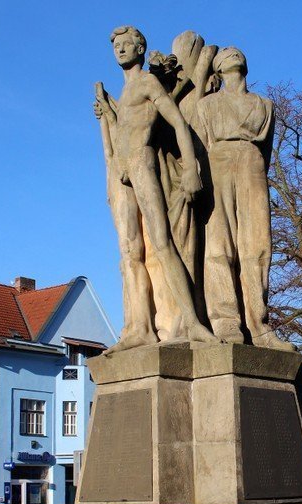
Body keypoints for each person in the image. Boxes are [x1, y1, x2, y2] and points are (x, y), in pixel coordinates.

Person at [93, 26, 217, 352]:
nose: (120, 49)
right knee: (132, 252)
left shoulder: (147, 82)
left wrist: (191, 166)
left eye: (126, 44)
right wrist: (109, 114)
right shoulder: (123, 95)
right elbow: (121, 134)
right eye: (116, 45)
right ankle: (140, 328)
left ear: (140, 49)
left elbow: (177, 122)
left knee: (162, 243)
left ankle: (191, 321)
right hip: (122, 170)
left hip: (141, 162)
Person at [196, 47, 294, 350]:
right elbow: (200, 146)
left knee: (257, 245)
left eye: (236, 52)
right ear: (218, 69)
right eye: (225, 54)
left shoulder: (265, 105)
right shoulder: (207, 106)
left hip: (252, 166)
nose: (232, 54)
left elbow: (267, 150)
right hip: (218, 163)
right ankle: (226, 322)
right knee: (218, 245)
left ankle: (259, 325)